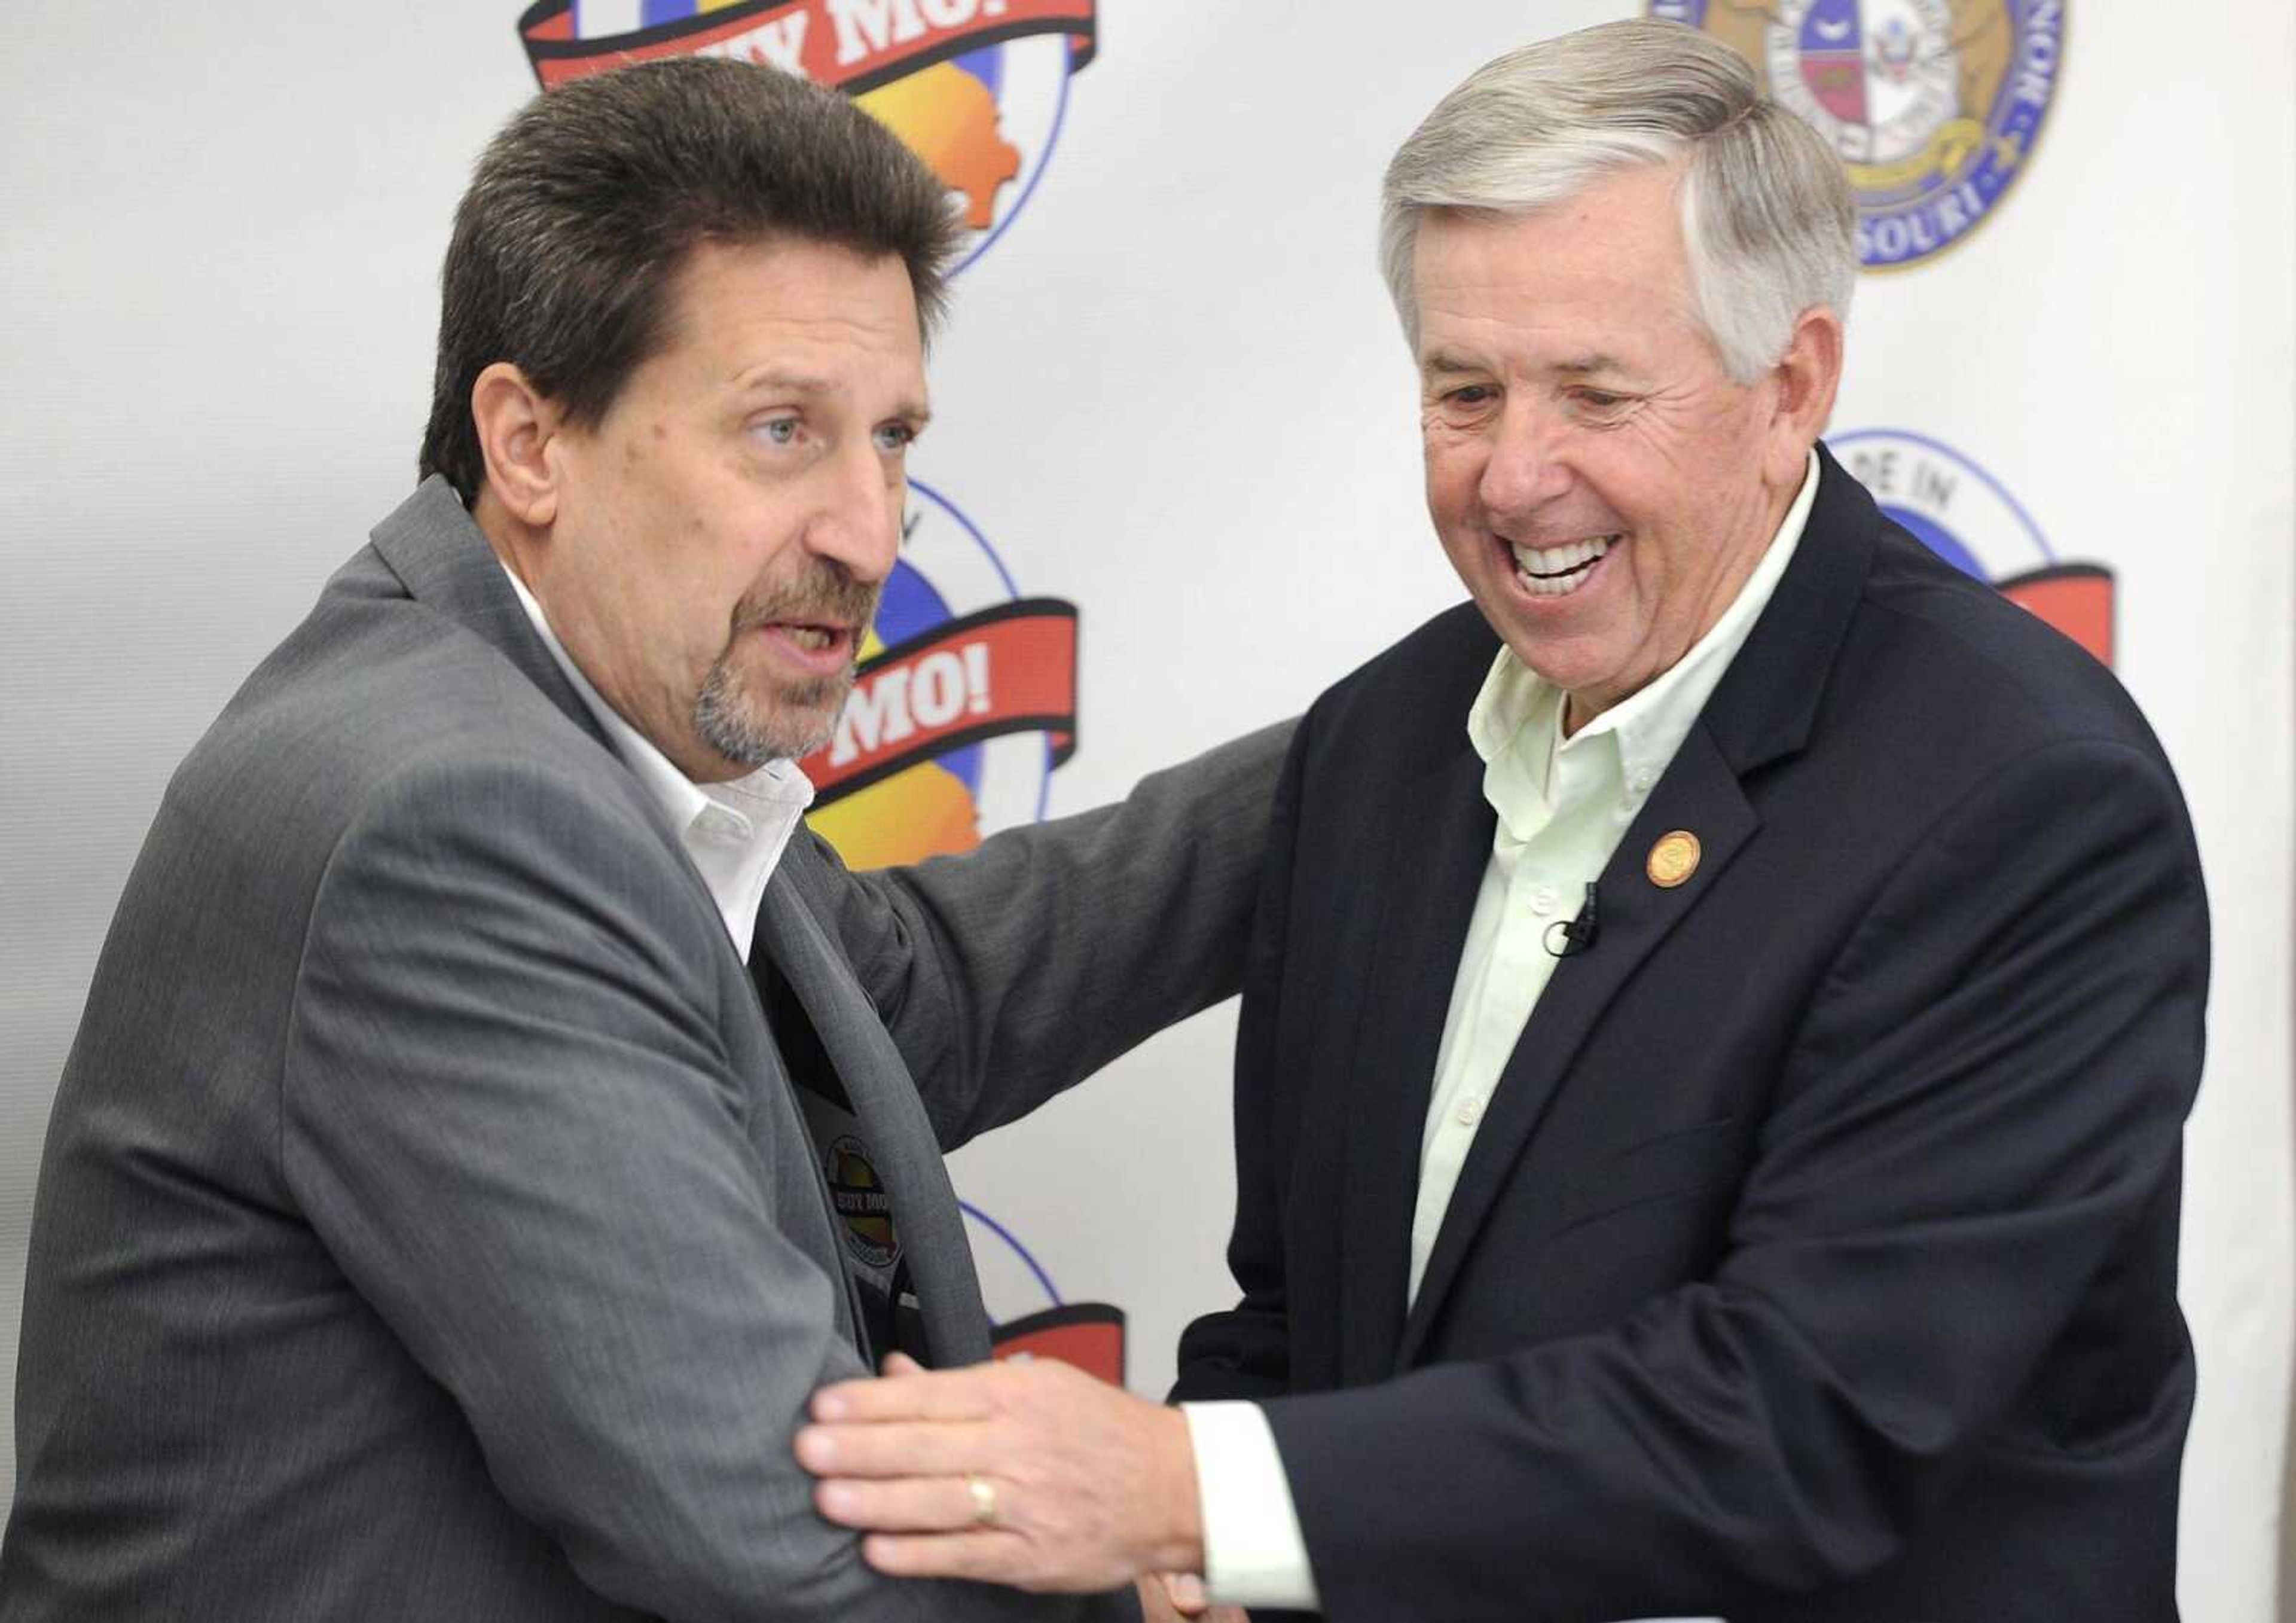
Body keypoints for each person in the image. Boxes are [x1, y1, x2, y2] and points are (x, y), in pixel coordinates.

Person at [792, 19, 2208, 1622]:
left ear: (1791, 385)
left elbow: (1812, 1427)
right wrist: (1209, 1539)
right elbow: (1307, 1328)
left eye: (1595, 394)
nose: (1517, 477)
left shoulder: (2024, 805)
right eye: (1465, 391)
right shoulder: (1379, 750)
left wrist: (1189, 1491)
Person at [0, 58, 1283, 1623]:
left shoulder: (573, 724)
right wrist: (1137, 1591)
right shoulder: (450, 812)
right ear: (531, 443)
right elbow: (771, 1534)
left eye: (889, 439)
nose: (869, 531)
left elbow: (912, 999)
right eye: (779, 433)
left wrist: (1387, 753)